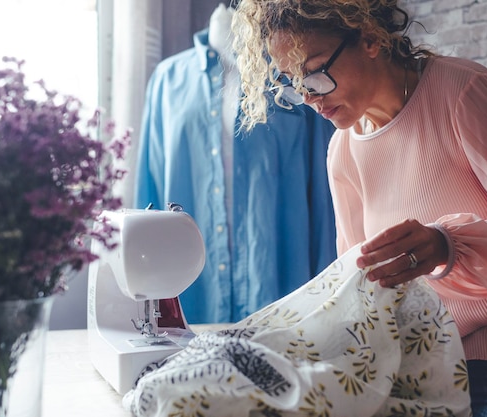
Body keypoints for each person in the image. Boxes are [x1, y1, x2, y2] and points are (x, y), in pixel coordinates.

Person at [230, 0, 487, 415]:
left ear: (368, 38)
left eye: (314, 72)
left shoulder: (463, 92)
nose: (309, 97)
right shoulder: (342, 151)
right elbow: (362, 281)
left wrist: (445, 243)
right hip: (433, 366)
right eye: (292, 81)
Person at [134, 4, 337, 324]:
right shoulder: (167, 80)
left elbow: (326, 194)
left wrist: (330, 297)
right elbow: (149, 190)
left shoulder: (291, 76)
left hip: (283, 296)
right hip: (190, 298)